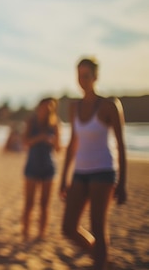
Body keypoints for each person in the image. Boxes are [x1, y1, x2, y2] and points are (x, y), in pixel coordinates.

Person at [60, 57, 127, 270]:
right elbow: (72, 144)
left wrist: (122, 182)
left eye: (86, 75)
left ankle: (100, 261)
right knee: (68, 227)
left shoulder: (109, 106)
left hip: (103, 172)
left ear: (96, 77)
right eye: (79, 76)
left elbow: (121, 144)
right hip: (80, 172)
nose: (82, 80)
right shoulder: (74, 107)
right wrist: (64, 177)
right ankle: (101, 257)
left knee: (98, 226)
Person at [21, 97, 61, 241]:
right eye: (44, 106)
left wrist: (53, 141)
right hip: (32, 165)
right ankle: (25, 232)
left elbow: (58, 148)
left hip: (49, 166)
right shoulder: (32, 122)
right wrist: (40, 138)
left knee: (45, 204)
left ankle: (41, 234)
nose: (47, 109)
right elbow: (25, 142)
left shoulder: (55, 124)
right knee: (29, 203)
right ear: (39, 107)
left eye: (50, 107)